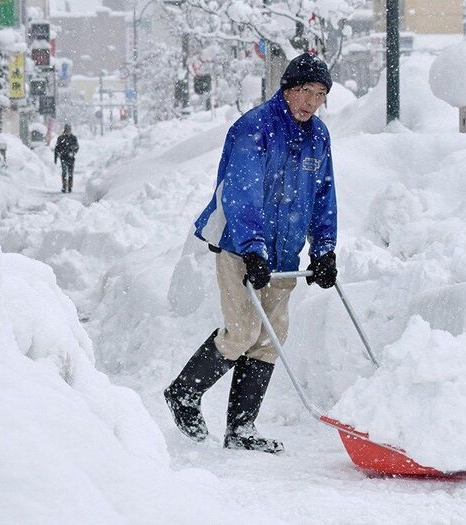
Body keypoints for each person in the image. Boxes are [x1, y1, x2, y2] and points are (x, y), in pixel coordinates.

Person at [164, 53, 338, 454]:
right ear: (288, 89)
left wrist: (325, 249)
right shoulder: (254, 127)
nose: (312, 102)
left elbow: (324, 195)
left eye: (320, 95)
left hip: (285, 252)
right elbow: (243, 192)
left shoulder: (319, 135)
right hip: (240, 245)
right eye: (306, 92)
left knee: (270, 337)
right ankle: (184, 393)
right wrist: (254, 248)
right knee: (242, 331)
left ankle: (241, 428)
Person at [53, 124, 79, 193]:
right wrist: (56, 157)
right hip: (63, 158)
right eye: (67, 129)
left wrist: (73, 151)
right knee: (64, 172)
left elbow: (77, 147)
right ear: (65, 130)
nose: (68, 131)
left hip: (71, 158)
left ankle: (70, 187)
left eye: (69, 129)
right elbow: (57, 148)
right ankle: (64, 186)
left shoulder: (73, 138)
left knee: (70, 173)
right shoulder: (60, 138)